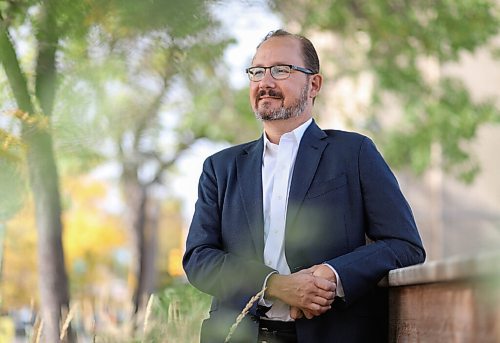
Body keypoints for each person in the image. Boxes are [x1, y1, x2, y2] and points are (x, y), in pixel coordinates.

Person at [183, 29, 425, 343]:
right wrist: (272, 284)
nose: (265, 82)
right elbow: (199, 258)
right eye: (257, 72)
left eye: (281, 70)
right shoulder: (220, 167)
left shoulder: (354, 153)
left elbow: (405, 245)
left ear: (314, 84)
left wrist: (334, 273)